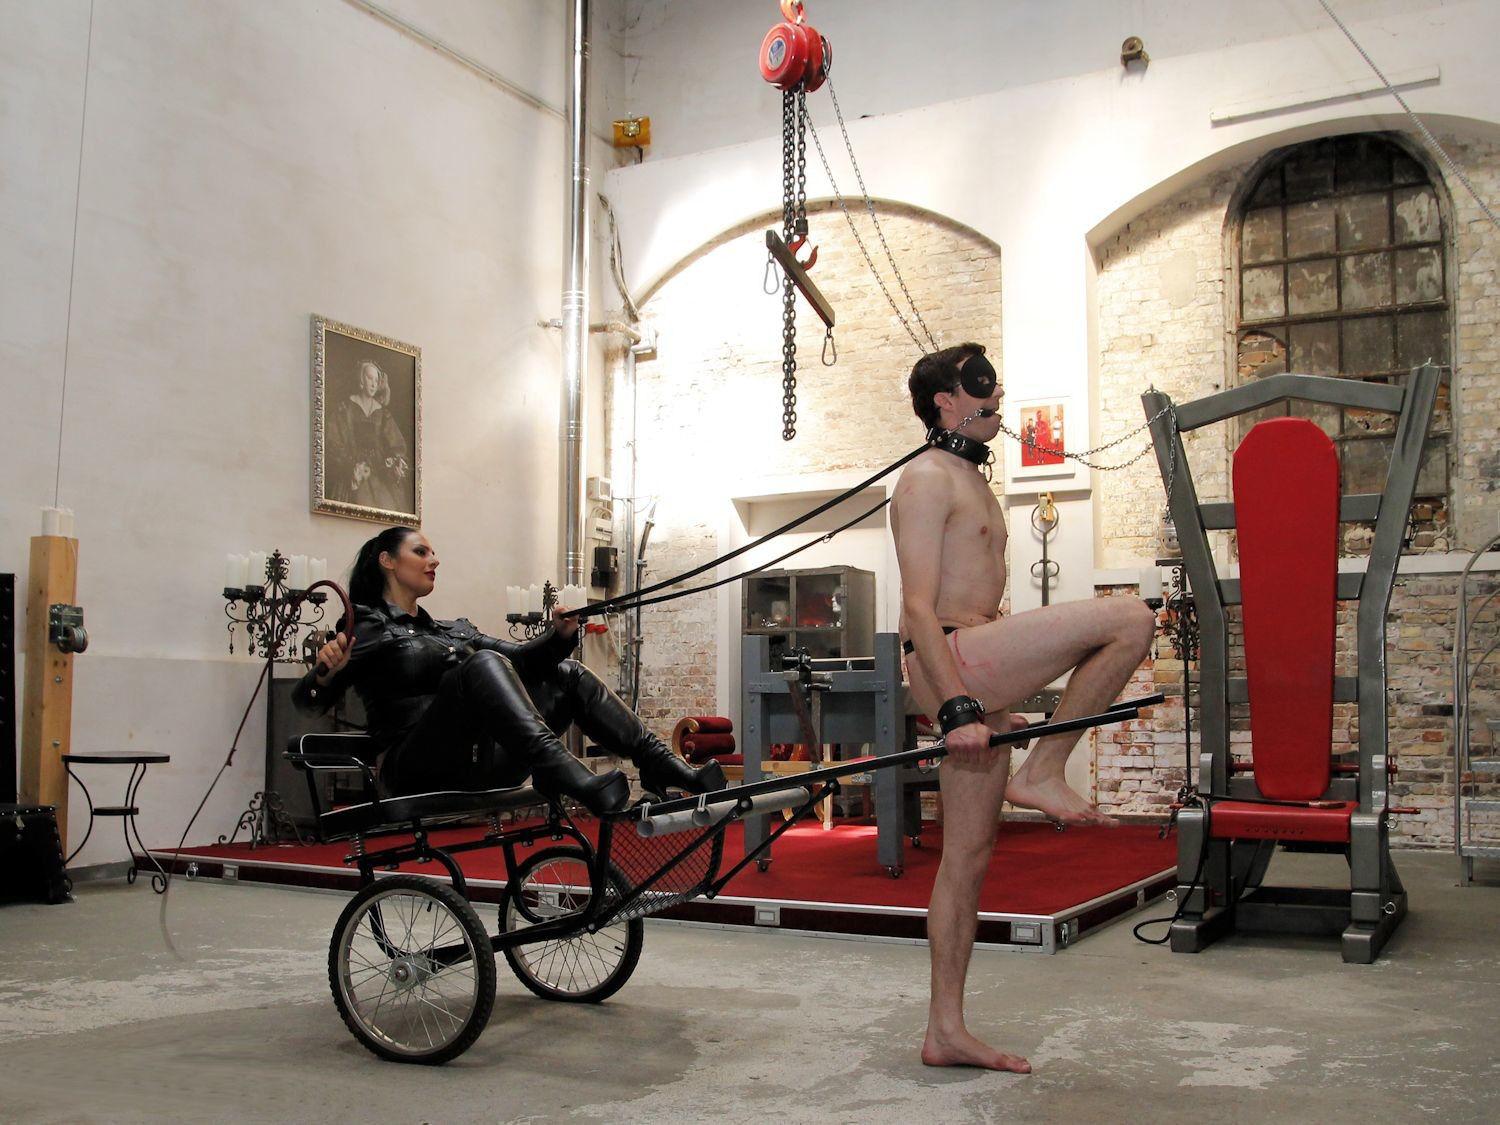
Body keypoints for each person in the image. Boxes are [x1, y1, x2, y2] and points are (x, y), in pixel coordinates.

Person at [892, 343, 1156, 1073]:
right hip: (951, 661)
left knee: (966, 860)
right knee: (1130, 619)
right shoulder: (926, 477)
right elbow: (918, 607)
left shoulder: (973, 479)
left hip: (976, 665)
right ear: (944, 401)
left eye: (995, 388)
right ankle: (1043, 769)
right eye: (978, 389)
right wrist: (956, 707)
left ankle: (945, 1031)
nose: (996, 400)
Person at [293, 526, 724, 813]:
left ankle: (660, 765)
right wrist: (324, 673)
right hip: (413, 769)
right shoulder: (367, 626)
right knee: (482, 663)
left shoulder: (452, 629)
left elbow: (522, 661)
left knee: (567, 673)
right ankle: (567, 772)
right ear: (388, 561)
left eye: (434, 553)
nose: (434, 560)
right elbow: (307, 702)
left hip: (482, 762)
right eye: (420, 552)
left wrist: (558, 635)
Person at [327, 360, 410, 512]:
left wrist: (395, 462)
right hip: (353, 470)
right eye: (370, 378)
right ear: (361, 379)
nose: (373, 384)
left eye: (376, 381)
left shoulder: (383, 414)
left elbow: (397, 445)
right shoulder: (345, 408)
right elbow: (334, 442)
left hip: (379, 473)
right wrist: (351, 467)